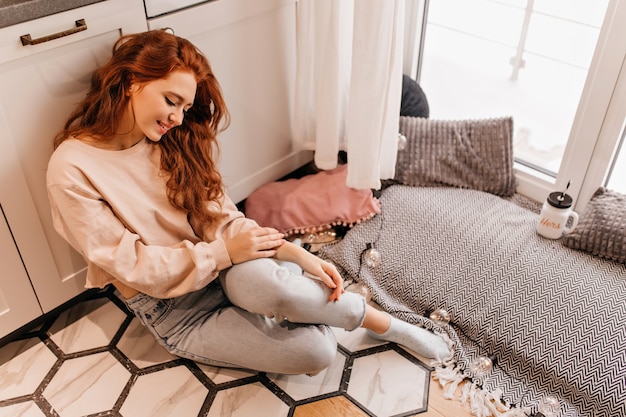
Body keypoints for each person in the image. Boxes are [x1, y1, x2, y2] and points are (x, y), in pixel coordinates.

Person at [47, 29, 451, 375]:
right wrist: (226, 254)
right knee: (318, 353)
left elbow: (222, 218)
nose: (177, 119)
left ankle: (383, 323)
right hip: (174, 310)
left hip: (226, 270)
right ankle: (298, 305)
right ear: (133, 80)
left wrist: (299, 256)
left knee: (265, 283)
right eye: (171, 101)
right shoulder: (72, 167)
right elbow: (136, 268)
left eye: (185, 108)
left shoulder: (170, 141)